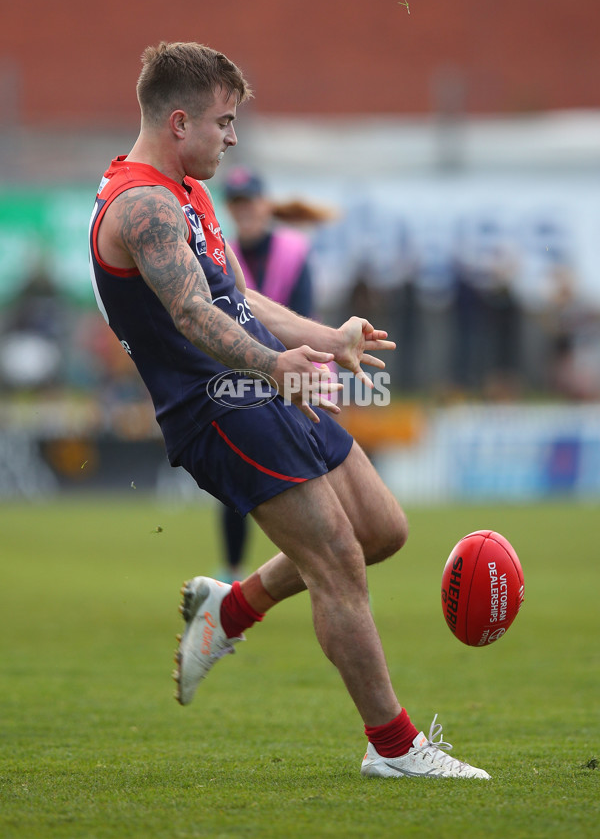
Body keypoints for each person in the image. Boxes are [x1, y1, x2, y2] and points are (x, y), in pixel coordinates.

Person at [88, 40, 490, 780]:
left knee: (381, 530)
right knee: (338, 561)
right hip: (219, 410)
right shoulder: (141, 205)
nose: (232, 137)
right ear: (180, 121)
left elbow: (244, 301)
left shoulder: (185, 189)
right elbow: (192, 313)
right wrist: (275, 364)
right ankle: (393, 748)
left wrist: (326, 337)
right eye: (224, 122)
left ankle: (231, 608)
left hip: (264, 389)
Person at [216, 165, 328, 581]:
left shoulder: (292, 251)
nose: (245, 209)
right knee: (232, 479)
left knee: (320, 480)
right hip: (242, 374)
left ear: (265, 204)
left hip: (299, 370)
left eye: (251, 201)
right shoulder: (220, 250)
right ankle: (231, 573)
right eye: (238, 203)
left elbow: (303, 315)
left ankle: (338, 572)